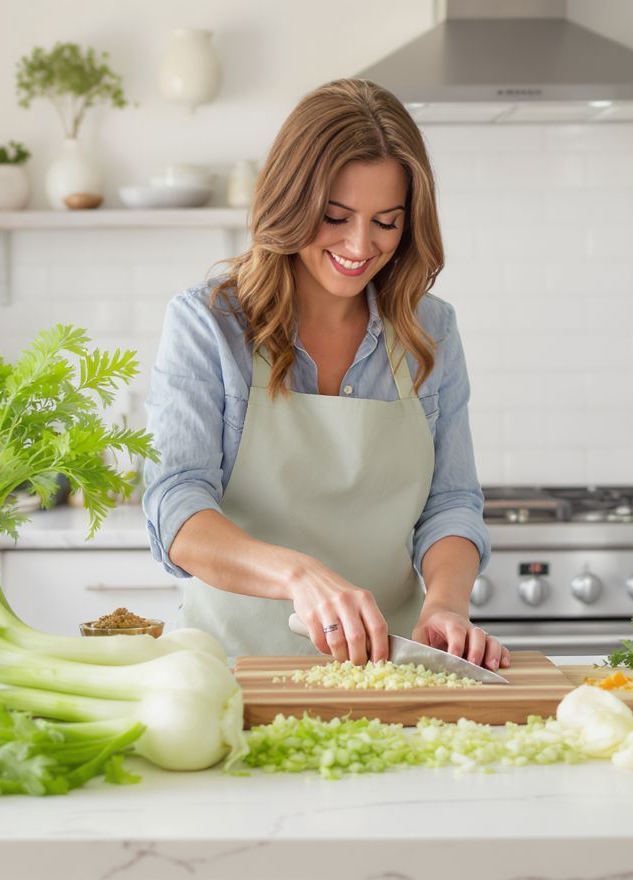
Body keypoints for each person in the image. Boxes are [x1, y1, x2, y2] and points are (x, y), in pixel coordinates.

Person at [142, 78, 508, 671]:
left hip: (385, 674)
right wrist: (298, 574)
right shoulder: (209, 325)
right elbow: (176, 508)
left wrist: (445, 606)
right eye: (335, 217)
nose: (360, 245)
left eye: (386, 222)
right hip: (232, 672)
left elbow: (451, 504)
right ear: (289, 203)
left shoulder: (430, 331)